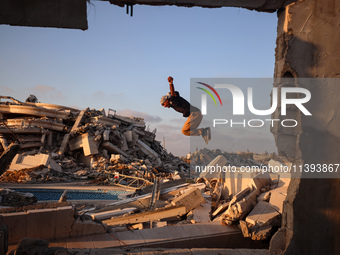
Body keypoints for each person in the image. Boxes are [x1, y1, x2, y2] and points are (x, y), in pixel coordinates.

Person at [160, 76, 211, 144]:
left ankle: (204, 131)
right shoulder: (172, 104)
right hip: (195, 114)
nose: (164, 106)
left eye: (163, 104)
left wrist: (170, 83)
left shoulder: (173, 100)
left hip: (195, 114)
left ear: (166, 100)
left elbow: (172, 93)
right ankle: (204, 132)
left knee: (184, 131)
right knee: (186, 131)